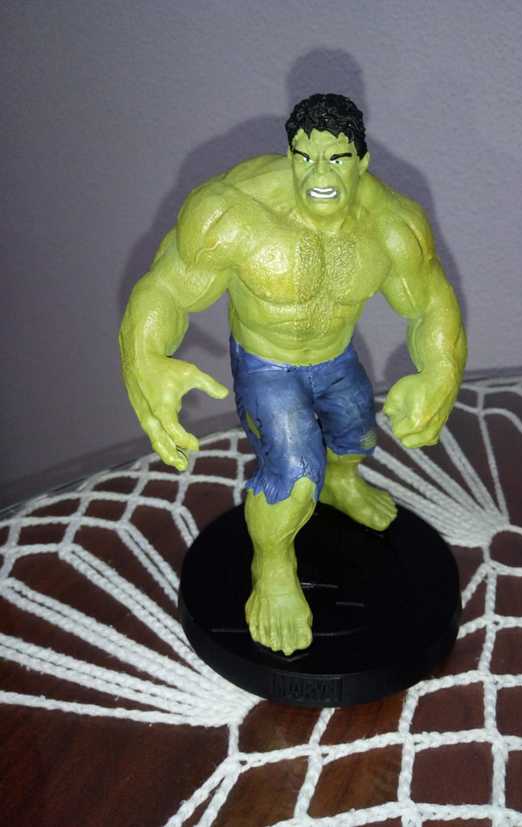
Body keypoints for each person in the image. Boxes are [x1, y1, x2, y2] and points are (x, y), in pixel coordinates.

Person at [119, 93, 466, 656]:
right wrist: (147, 359)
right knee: (296, 473)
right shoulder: (234, 211)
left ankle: (342, 483)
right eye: (306, 158)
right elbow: (165, 288)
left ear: (362, 161)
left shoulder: (391, 223)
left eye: (337, 159)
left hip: (335, 358)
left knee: (358, 437)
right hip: (266, 366)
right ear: (290, 155)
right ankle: (274, 564)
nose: (319, 175)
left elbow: (431, 301)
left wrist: (440, 371)